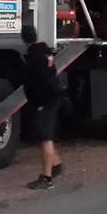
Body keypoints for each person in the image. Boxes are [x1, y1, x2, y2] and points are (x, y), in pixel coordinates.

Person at [21, 24, 63, 191]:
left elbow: (34, 83)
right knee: (43, 135)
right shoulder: (45, 52)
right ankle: (56, 164)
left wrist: (37, 103)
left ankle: (47, 178)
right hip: (53, 97)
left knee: (45, 138)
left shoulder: (32, 58)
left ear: (23, 39)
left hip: (45, 101)